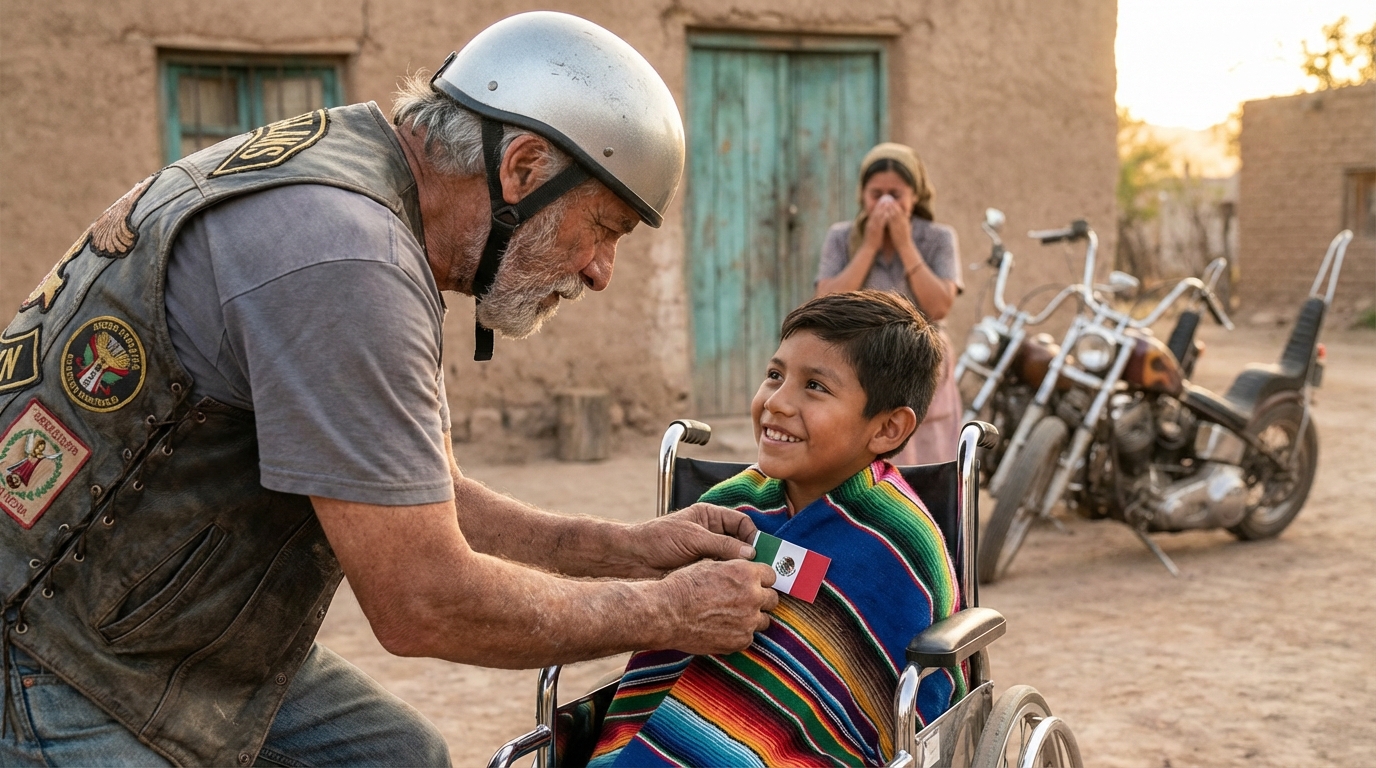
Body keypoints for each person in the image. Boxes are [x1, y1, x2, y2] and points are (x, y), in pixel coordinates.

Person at [0, 12, 777, 767]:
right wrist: (670, 611)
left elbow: (415, 495)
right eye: (604, 228)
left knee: (400, 754)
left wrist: (625, 552)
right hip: (50, 647)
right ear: (523, 169)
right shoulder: (350, 262)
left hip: (146, 622)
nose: (601, 271)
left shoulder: (355, 185)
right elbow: (423, 598)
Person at [588, 290, 964, 767]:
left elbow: (918, 707)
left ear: (888, 429)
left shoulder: (898, 542)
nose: (776, 403)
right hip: (657, 744)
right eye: (774, 375)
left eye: (815, 387)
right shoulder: (728, 505)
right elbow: (662, 645)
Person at [815, 143, 964, 463]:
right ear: (863, 196)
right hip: (859, 361)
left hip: (922, 362)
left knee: (924, 454)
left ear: (915, 196)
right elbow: (827, 302)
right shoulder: (842, 237)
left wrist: (904, 243)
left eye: (895, 195)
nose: (885, 202)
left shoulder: (938, 238)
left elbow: (939, 306)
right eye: (876, 193)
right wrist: (868, 246)